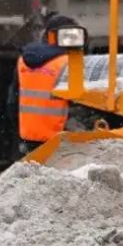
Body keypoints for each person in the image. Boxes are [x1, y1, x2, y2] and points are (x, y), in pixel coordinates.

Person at [15, 13, 78, 151]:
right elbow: (78, 102)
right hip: (58, 139)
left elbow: (13, 101)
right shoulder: (68, 63)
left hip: (29, 136)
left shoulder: (23, 60)